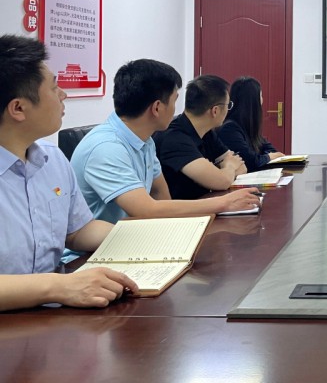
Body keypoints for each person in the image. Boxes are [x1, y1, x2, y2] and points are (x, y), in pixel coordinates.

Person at [0, 34, 138, 311]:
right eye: (54, 88)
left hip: (54, 316)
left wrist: (140, 239)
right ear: (18, 108)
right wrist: (59, 286)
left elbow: (79, 231)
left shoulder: (52, 159)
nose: (63, 94)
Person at [71, 59, 259, 225]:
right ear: (157, 108)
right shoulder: (106, 148)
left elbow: (160, 195)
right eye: (175, 101)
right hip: (99, 248)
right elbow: (146, 209)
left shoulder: (145, 140)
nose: (178, 110)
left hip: (135, 236)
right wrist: (224, 203)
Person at [154, 75, 247, 200]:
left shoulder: (206, 131)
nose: (228, 110)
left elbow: (241, 167)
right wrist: (229, 166)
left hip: (203, 202)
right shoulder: (174, 138)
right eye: (228, 105)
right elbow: (222, 181)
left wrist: (224, 171)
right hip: (182, 209)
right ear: (215, 111)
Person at [218, 76, 285, 172]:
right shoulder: (229, 129)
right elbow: (251, 162)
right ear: (253, 101)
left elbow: (271, 150)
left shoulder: (248, 125)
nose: (262, 100)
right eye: (261, 95)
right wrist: (269, 157)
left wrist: (265, 156)